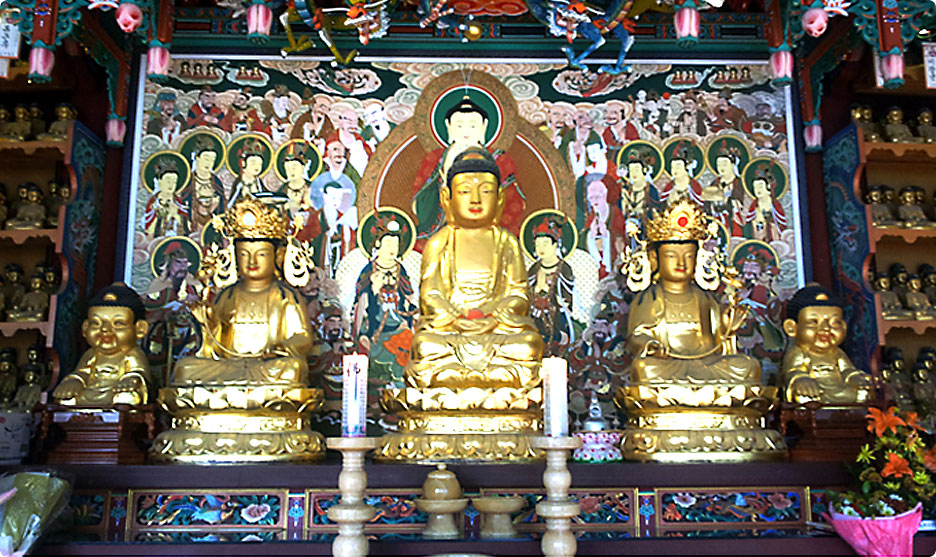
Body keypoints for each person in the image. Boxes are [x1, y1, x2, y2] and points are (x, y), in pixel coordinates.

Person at [406, 147, 544, 391]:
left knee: (528, 345)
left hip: (497, 328)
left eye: (487, 191)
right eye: (465, 191)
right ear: (447, 197)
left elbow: (519, 294)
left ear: (500, 197)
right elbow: (430, 295)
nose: (476, 200)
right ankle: (499, 382)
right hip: (451, 329)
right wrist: (457, 317)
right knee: (425, 345)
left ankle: (453, 383)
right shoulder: (440, 242)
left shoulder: (506, 242)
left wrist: (490, 314)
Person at [171, 197, 314, 386]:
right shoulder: (227, 295)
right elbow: (217, 347)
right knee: (184, 369)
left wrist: (281, 347)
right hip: (230, 366)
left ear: (278, 257)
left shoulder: (286, 296)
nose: (252, 262)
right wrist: (208, 323)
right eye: (244, 255)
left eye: (261, 254)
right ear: (235, 257)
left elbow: (303, 338)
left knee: (293, 368)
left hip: (267, 366)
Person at [627, 200, 760, 385]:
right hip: (667, 365)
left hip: (707, 364)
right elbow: (636, 335)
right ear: (654, 258)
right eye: (671, 256)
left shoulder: (704, 297)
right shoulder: (650, 297)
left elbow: (717, 341)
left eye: (689, 256)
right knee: (643, 368)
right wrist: (651, 346)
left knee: (749, 366)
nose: (681, 263)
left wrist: (727, 327)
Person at [412, 97, 525, 238]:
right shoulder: (435, 159)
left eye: (473, 126)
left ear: (484, 126)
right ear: (449, 126)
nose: (466, 132)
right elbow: (419, 206)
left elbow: (514, 203)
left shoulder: (501, 160)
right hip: (443, 229)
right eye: (459, 125)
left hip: (488, 231)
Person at [52, 284, 151, 406]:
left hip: (117, 392)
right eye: (96, 323)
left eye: (118, 323)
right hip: (91, 391)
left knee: (127, 398)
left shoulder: (132, 353)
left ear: (140, 329)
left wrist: (131, 379)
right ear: (85, 328)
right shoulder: (91, 354)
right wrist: (75, 381)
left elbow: (138, 371)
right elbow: (83, 371)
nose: (104, 329)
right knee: (67, 400)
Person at [353, 214, 418, 385]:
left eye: (396, 244)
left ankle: (400, 381)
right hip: (374, 325)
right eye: (388, 243)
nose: (393, 248)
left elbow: (407, 297)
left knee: (411, 339)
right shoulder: (369, 269)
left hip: (398, 322)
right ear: (378, 245)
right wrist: (374, 288)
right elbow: (360, 300)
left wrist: (408, 316)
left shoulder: (400, 269)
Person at [781, 284, 872, 404]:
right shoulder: (798, 351)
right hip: (815, 391)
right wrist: (801, 379)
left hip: (840, 389)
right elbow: (792, 372)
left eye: (835, 323)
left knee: (863, 393)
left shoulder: (837, 353)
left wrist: (855, 378)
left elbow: (847, 370)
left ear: (844, 327)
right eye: (813, 322)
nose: (825, 328)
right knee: (804, 396)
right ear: (792, 328)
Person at [527, 216, 575, 352]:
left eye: (545, 244)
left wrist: (561, 303)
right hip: (534, 317)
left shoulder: (564, 268)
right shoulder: (533, 269)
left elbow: (567, 297)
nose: (541, 248)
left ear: (555, 245)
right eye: (537, 244)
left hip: (556, 318)